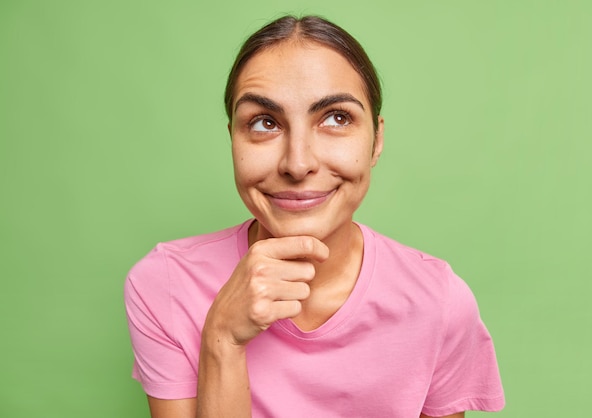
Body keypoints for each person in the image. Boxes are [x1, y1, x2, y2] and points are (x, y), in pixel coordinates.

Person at [124, 15, 505, 418]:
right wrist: (222, 338)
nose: (298, 163)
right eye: (264, 122)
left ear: (376, 141)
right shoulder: (164, 285)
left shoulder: (438, 302)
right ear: (232, 138)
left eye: (336, 118)